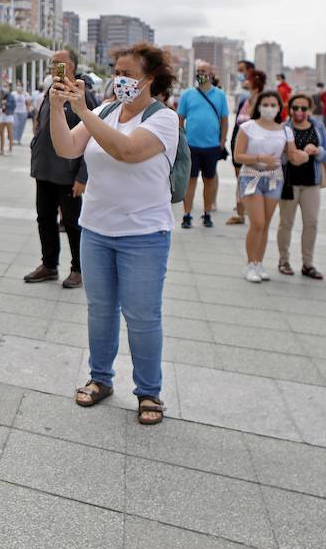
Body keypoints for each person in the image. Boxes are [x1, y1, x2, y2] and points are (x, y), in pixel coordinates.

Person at [50, 43, 180, 427]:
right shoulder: (105, 111)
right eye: (116, 72)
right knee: (100, 309)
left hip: (144, 233)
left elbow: (126, 150)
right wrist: (58, 108)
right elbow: (66, 147)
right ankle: (100, 378)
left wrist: (83, 111)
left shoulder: (164, 119)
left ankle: (149, 391)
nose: (120, 80)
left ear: (150, 78)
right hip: (96, 229)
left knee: (142, 316)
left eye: (128, 74)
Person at [24, 49, 96, 290]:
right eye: (52, 63)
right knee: (44, 219)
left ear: (72, 66)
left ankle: (78, 269)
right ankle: (49, 265)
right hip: (44, 169)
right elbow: (42, 121)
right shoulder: (51, 90)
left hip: (68, 174)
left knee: (73, 223)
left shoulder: (82, 94)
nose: (54, 66)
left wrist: (83, 176)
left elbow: (93, 136)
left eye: (59, 63)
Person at [235, 90, 299, 283]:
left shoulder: (285, 131)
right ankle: (250, 264)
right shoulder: (247, 127)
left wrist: (307, 154)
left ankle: (259, 262)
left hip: (274, 179)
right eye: (265, 104)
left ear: (279, 107)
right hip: (251, 176)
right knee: (257, 223)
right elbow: (238, 156)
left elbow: (293, 155)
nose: (269, 108)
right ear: (259, 106)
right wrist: (259, 158)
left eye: (273, 105)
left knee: (265, 225)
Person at [276, 93, 326, 279]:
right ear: (289, 109)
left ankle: (308, 264)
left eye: (303, 108)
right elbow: (277, 155)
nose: (299, 111)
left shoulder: (318, 127)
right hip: (289, 182)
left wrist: (317, 151)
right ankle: (283, 260)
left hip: (311, 182)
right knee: (286, 222)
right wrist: (290, 154)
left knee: (311, 223)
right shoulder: (284, 128)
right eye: (295, 108)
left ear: (310, 110)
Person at [176, 59, 229, 229]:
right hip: (191, 145)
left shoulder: (220, 95)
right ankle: (187, 214)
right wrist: (181, 140)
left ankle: (207, 213)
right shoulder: (187, 94)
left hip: (211, 146)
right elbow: (180, 118)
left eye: (204, 71)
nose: (200, 74)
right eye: (198, 71)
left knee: (209, 180)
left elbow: (224, 120)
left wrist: (222, 141)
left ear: (211, 74)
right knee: (190, 181)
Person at [227, 68, 266, 225]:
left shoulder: (264, 102)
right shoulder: (244, 101)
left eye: (247, 79)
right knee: (240, 180)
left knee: (254, 179)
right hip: (239, 145)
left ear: (255, 82)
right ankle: (240, 213)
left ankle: (253, 210)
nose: (244, 81)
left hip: (254, 148)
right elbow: (237, 125)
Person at [0, 83, 18, 155]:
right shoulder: (2, 95)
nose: (5, 88)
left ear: (9, 88)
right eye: (4, 86)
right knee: (1, 132)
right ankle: (1, 149)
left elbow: (14, 106)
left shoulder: (11, 96)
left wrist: (6, 103)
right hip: (3, 114)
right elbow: (0, 104)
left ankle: (10, 149)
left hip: (9, 115)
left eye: (6, 86)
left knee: (10, 132)